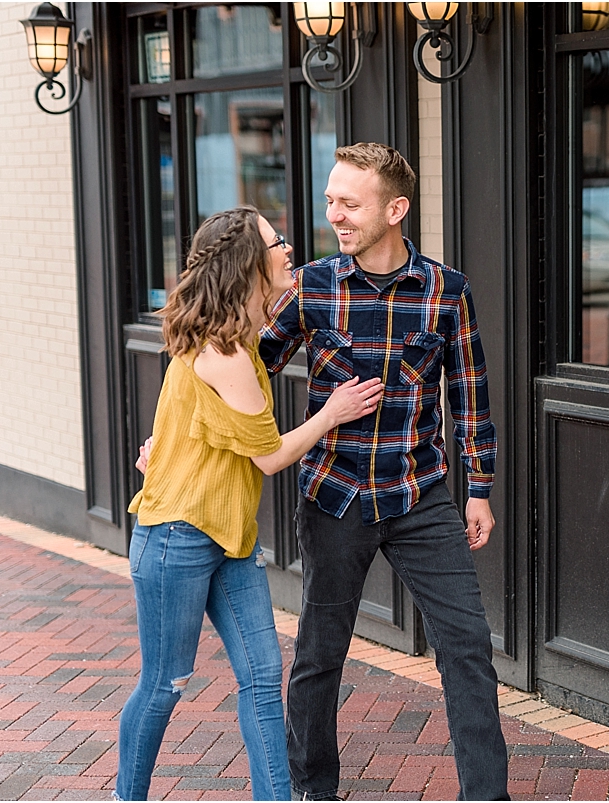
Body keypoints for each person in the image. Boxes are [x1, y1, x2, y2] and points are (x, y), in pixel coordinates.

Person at [259, 142, 509, 800]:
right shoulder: (310, 286)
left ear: (395, 209)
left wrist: (478, 490)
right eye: (330, 200)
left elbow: (472, 397)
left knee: (468, 648)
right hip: (334, 497)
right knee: (318, 656)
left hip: (418, 497)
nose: (334, 213)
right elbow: (242, 368)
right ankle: (313, 789)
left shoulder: (446, 291)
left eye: (350, 202)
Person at [118, 207, 384, 801]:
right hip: (177, 537)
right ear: (248, 263)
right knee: (165, 683)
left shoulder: (234, 337)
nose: (288, 248)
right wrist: (332, 413)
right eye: (275, 242)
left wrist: (162, 453)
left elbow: (186, 421)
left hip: (230, 537)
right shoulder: (226, 352)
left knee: (263, 677)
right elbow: (268, 456)